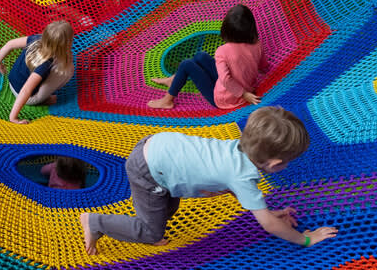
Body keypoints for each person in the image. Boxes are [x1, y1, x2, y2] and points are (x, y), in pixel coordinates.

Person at [78, 106, 336, 256]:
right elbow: (268, 225)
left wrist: (269, 212)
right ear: (275, 164)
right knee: (152, 231)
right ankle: (95, 221)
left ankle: (149, 219)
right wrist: (305, 239)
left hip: (158, 147)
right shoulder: (242, 176)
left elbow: (244, 197)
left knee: (167, 209)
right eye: (287, 162)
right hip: (149, 170)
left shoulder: (239, 148)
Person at [148, 3, 267, 110]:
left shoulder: (222, 51)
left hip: (225, 98)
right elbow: (263, 66)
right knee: (201, 56)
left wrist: (244, 94)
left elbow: (226, 80)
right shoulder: (257, 44)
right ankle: (173, 80)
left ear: (226, 29)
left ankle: (167, 101)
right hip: (239, 87)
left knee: (186, 64)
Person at [0, 19, 75, 124]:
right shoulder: (44, 64)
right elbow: (26, 90)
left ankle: (40, 97)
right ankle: (42, 100)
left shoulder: (36, 38)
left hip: (12, 82)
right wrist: (13, 118)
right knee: (67, 69)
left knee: (61, 64)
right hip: (26, 96)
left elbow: (10, 44)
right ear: (66, 44)